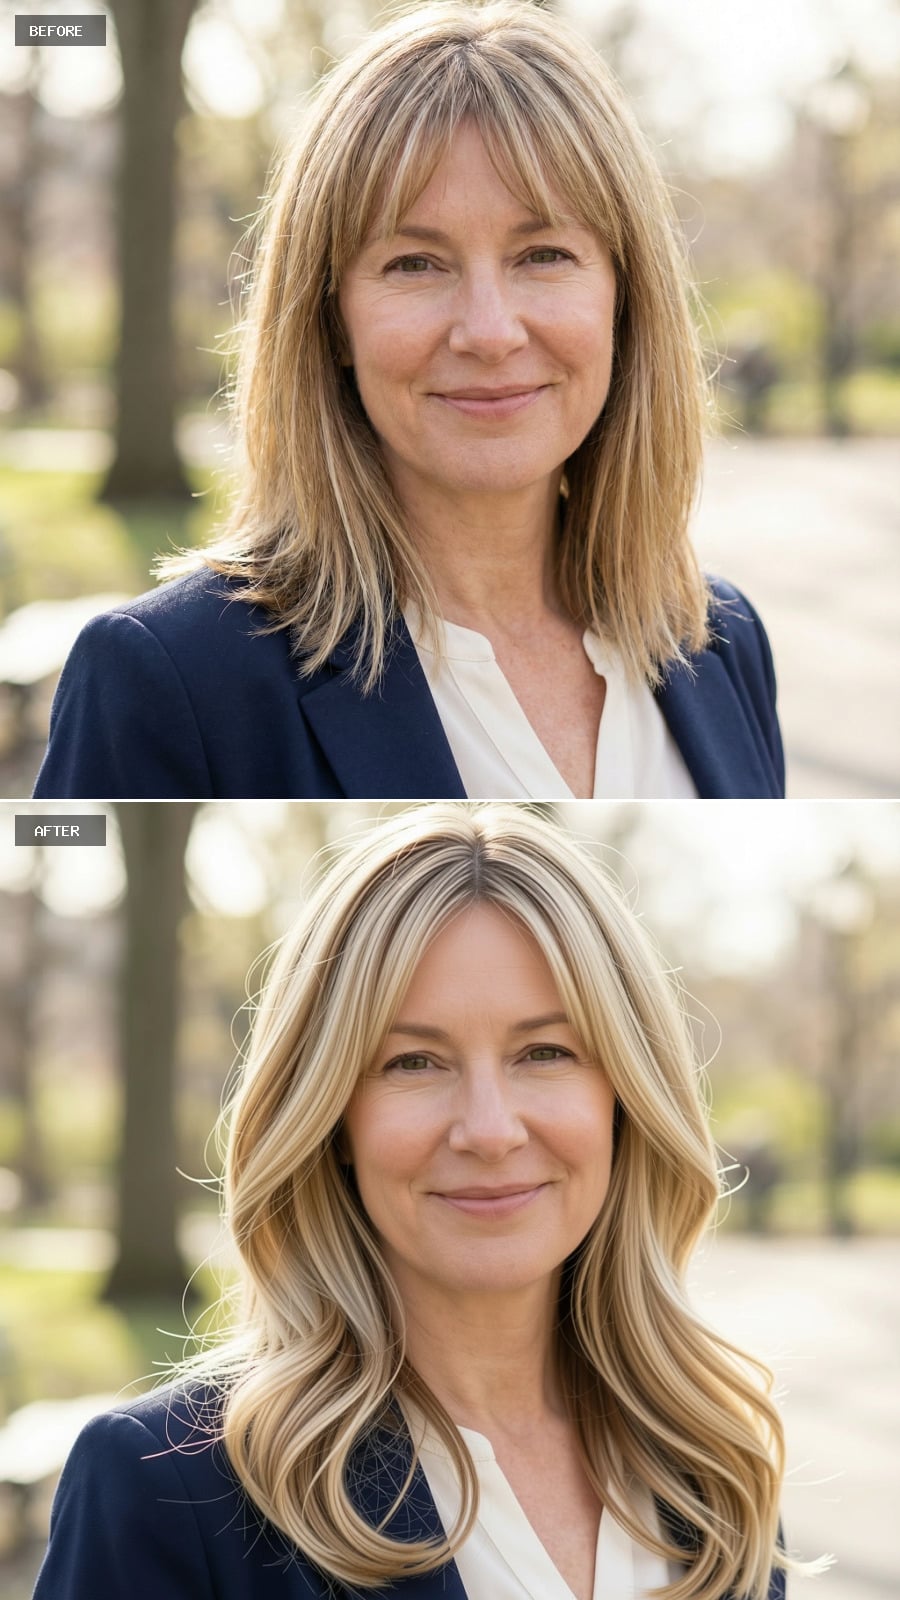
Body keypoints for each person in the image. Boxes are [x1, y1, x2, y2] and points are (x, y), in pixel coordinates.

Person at [35, 803, 800, 1600]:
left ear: (626, 1098)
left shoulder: (714, 1467)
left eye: (546, 1052)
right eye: (413, 1063)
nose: (490, 1130)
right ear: (332, 1118)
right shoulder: (167, 1487)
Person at [34, 1, 783, 802]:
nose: (490, 332)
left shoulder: (721, 640)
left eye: (544, 254)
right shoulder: (167, 677)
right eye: (415, 264)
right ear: (331, 319)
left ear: (624, 299)